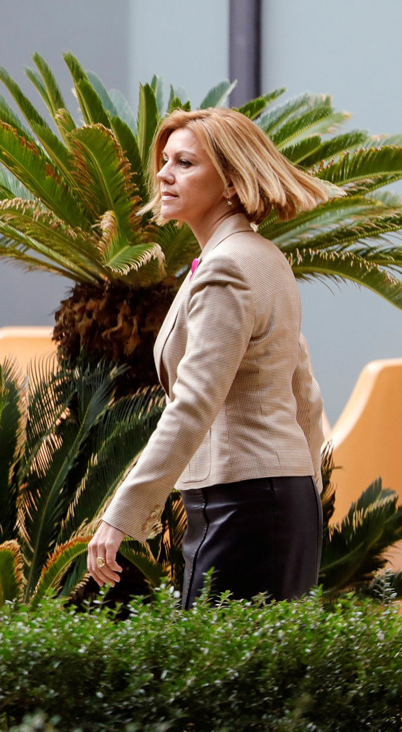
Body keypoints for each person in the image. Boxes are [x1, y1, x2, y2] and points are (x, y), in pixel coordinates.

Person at [87, 107, 328, 608]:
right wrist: (307, 493)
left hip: (243, 502)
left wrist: (122, 513)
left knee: (213, 676)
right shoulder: (262, 258)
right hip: (276, 499)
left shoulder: (228, 269)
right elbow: (302, 390)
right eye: (166, 160)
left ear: (232, 184)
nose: (163, 173)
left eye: (185, 163)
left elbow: (194, 404)